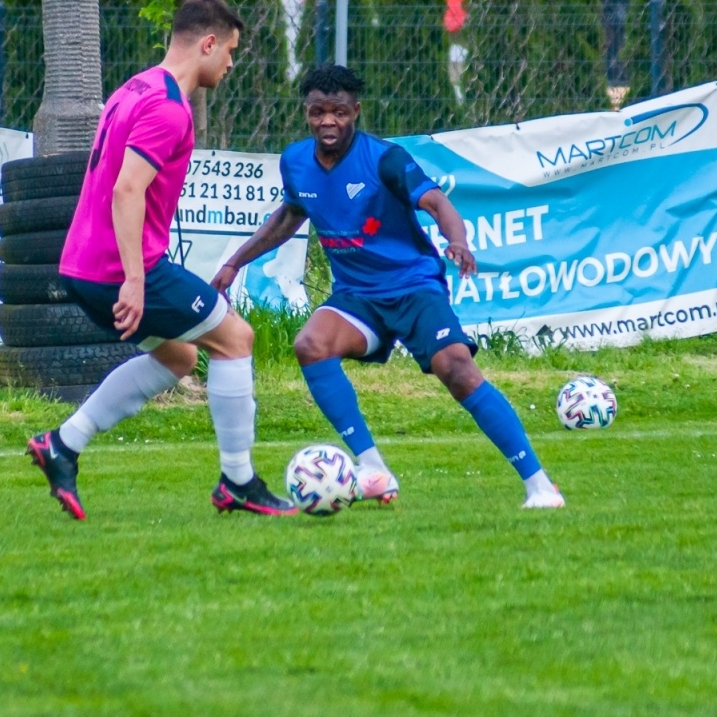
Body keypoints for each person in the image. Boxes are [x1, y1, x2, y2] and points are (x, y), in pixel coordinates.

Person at [213, 65, 563, 509]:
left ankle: (540, 485)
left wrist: (458, 241)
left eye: (338, 112)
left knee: (455, 368)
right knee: (310, 344)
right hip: (357, 297)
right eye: (317, 112)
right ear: (306, 113)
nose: (327, 122)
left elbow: (436, 201)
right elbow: (289, 216)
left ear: (355, 112)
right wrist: (233, 264)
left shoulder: (384, 158)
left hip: (413, 287)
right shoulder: (295, 161)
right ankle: (373, 466)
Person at [26, 0, 294, 519]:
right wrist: (134, 280)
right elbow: (127, 191)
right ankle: (238, 481)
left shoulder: (135, 86)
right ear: (208, 44)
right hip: (119, 269)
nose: (232, 64)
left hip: (79, 265)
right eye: (231, 51)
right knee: (236, 339)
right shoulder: (170, 109)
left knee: (180, 356)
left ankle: (63, 444)